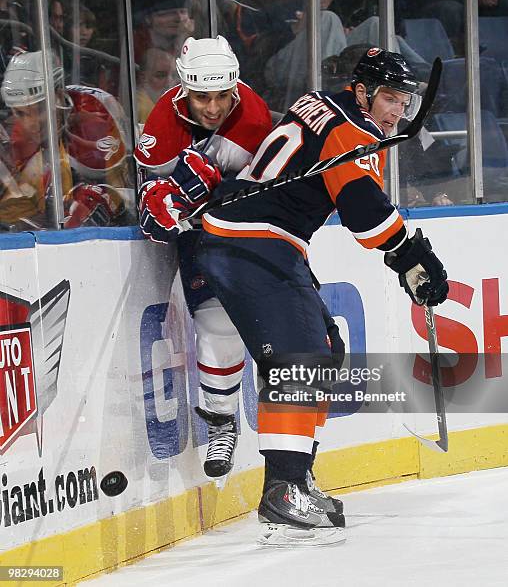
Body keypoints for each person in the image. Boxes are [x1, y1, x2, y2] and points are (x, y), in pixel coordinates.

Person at [171, 47, 448, 545]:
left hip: (245, 238)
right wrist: (412, 255)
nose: (396, 112)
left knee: (323, 345)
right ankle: (284, 488)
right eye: (388, 98)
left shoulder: (321, 101)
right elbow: (365, 214)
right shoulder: (352, 131)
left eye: (403, 102)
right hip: (251, 241)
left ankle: (297, 477)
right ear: (362, 92)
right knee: (300, 359)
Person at [134, 36, 273, 486]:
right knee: (216, 323)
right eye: (201, 97)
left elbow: (261, 197)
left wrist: (213, 193)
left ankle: (221, 421)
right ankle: (221, 423)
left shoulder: (253, 119)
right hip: (194, 232)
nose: (212, 108)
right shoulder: (162, 119)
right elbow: (148, 201)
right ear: (183, 90)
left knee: (224, 326)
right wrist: (163, 200)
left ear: (234, 87)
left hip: (236, 226)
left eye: (221, 96)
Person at [0, 50, 133, 230]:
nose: (32, 123)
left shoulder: (95, 113)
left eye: (40, 109)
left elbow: (124, 188)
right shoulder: (17, 138)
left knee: (90, 200)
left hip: (123, 211)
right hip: (57, 213)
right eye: (22, 113)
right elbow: (17, 208)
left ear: (59, 93)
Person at [136, 47, 177, 124]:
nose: (169, 82)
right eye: (161, 75)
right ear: (143, 78)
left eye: (173, 75)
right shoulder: (138, 108)